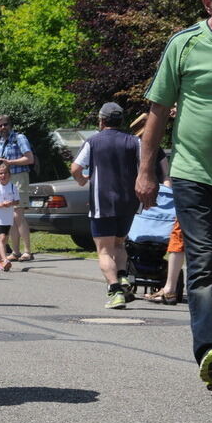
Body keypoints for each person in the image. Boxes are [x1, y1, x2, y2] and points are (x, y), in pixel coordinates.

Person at [137, 0, 212, 391]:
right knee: (205, 262)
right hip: (193, 175)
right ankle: (210, 350)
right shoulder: (185, 45)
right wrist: (146, 170)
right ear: (208, 3)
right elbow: (158, 110)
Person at [71, 102, 139, 309]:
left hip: (103, 202)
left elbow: (75, 168)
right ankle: (123, 276)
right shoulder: (134, 141)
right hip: (128, 202)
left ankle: (115, 290)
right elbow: (145, 167)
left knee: (104, 250)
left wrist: (82, 179)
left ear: (101, 121)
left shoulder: (94, 141)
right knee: (119, 244)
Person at [0, 115, 34, 262]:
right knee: (11, 215)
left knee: (18, 215)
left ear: (10, 125)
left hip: (19, 177)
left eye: (5, 125)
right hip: (7, 180)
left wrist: (9, 162)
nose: (3, 128)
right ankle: (16, 252)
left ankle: (28, 251)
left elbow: (29, 159)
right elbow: (0, 161)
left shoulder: (19, 138)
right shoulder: (1, 141)